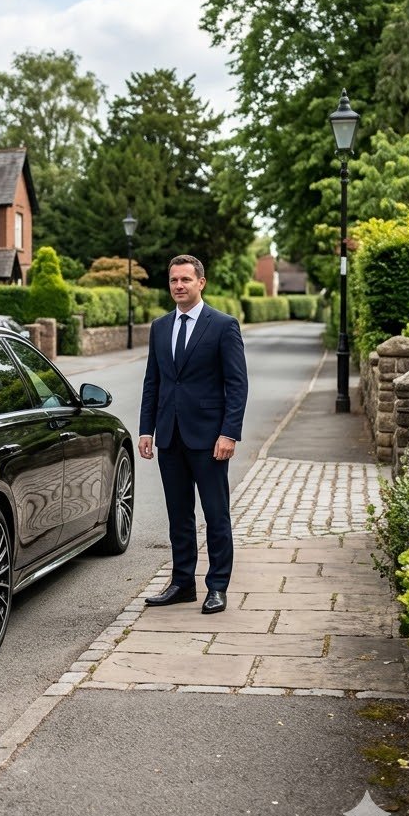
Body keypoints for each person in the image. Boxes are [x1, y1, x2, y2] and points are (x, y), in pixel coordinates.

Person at [138, 255, 248, 614]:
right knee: (179, 515)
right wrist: (146, 430)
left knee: (216, 515)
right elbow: (153, 382)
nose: (178, 286)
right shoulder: (159, 327)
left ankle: (217, 586)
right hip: (170, 436)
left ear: (201, 282)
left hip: (209, 439)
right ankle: (182, 583)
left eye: (185, 279)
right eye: (173, 280)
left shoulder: (223, 325)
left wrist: (229, 433)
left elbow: (237, 384)